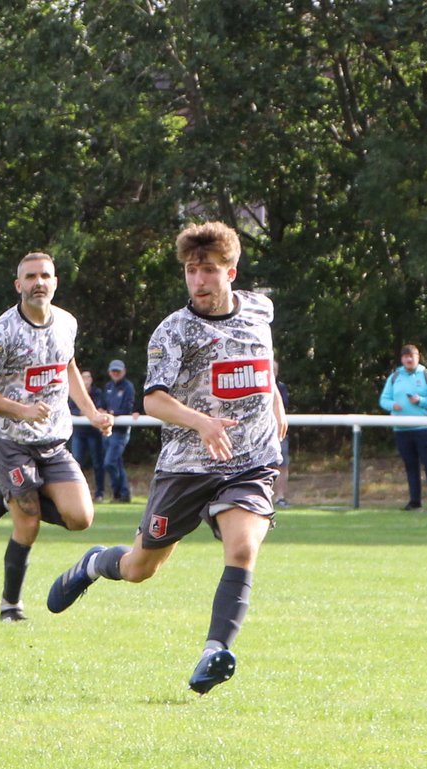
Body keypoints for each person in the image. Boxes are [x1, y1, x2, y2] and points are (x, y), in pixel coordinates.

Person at [46, 221, 287, 695]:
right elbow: (154, 400)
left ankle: (214, 651)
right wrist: (203, 423)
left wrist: (275, 398)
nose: (198, 280)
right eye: (191, 271)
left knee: (242, 548)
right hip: (187, 466)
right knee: (140, 568)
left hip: (251, 461)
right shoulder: (174, 332)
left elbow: (263, 358)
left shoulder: (260, 309)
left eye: (209, 270)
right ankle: (94, 564)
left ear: (231, 273)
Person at [0, 252, 113, 622]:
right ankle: (10, 606)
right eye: (31, 277)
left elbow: (69, 367)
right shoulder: (1, 333)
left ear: (55, 281)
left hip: (53, 441)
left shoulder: (67, 322)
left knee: (81, 518)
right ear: (18, 285)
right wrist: (22, 410)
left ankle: (8, 497)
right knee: (29, 520)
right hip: (10, 440)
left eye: (45, 276)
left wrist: (91, 412)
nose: (38, 283)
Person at [378, 344, 427, 513]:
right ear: (402, 359)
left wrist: (420, 401)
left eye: (411, 356)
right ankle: (415, 502)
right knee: (410, 466)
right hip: (402, 429)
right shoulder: (394, 377)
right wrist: (393, 405)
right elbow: (383, 400)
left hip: (424, 428)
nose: (409, 359)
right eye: (405, 356)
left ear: (418, 357)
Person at [102, 359, 137, 502]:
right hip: (107, 430)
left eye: (118, 371)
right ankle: (123, 494)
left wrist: (112, 413)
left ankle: (118, 492)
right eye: (113, 370)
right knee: (117, 463)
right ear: (109, 372)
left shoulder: (128, 387)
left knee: (109, 462)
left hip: (121, 431)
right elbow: (102, 405)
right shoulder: (108, 386)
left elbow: (128, 408)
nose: (115, 373)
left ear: (124, 371)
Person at [69, 368, 106, 501]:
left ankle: (99, 493)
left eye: (88, 377)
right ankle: (76, 494)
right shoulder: (74, 393)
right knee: (76, 462)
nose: (85, 380)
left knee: (98, 463)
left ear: (91, 379)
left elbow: (100, 409)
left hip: (94, 433)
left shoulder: (98, 393)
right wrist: (87, 412)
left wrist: (88, 412)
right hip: (79, 432)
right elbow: (71, 410)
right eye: (83, 377)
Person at [273, 360, 290, 507]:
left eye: (275, 369)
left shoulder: (281, 387)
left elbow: (283, 405)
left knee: (282, 464)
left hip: (278, 433)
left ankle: (280, 497)